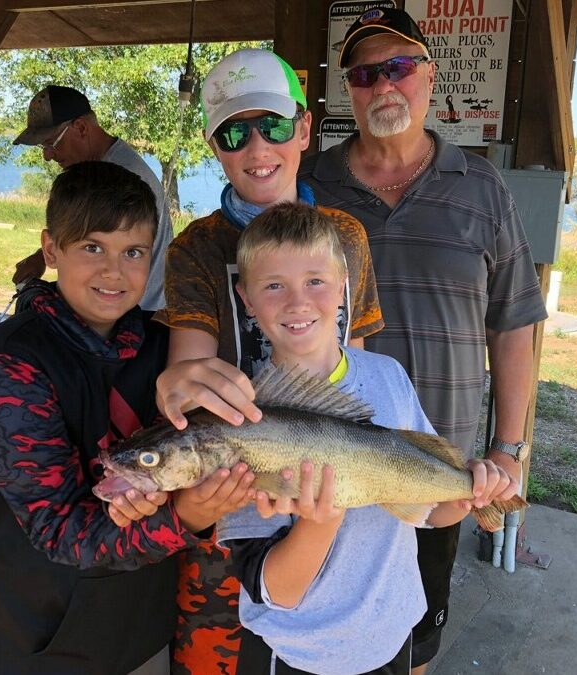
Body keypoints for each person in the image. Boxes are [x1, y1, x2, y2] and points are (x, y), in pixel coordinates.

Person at [299, 8, 549, 672]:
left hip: (440, 462)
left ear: (429, 77)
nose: (384, 84)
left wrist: (509, 447)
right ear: (348, 88)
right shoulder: (312, 185)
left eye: (399, 67)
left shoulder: (482, 186)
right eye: (365, 72)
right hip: (331, 456)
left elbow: (515, 323)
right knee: (319, 630)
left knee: (416, 645)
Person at [0, 161, 255, 675]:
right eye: (92, 247)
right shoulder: (10, 367)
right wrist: (186, 517)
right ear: (51, 250)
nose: (114, 272)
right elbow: (62, 532)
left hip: (143, 628)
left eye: (133, 252)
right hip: (45, 643)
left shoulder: (163, 346)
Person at [147, 48, 384, 674]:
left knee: (324, 637)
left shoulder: (346, 237)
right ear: (214, 144)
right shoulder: (195, 247)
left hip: (321, 481)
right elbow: (189, 372)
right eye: (234, 131)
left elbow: (353, 377)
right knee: (224, 656)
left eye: (274, 125)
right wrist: (176, 385)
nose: (258, 147)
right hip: (234, 493)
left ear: (304, 129)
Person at [217, 203, 516, 675]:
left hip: (389, 638)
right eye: (274, 286)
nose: (298, 302)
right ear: (247, 299)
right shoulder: (240, 420)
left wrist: (471, 492)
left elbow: (428, 511)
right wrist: (320, 523)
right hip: (297, 655)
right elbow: (277, 590)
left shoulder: (389, 377)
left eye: (316, 281)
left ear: (343, 287)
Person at [11, 85, 173, 310]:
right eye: (43, 146)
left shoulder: (121, 179)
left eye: (51, 143)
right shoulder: (109, 171)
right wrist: (44, 255)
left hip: (132, 320)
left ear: (81, 128)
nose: (47, 156)